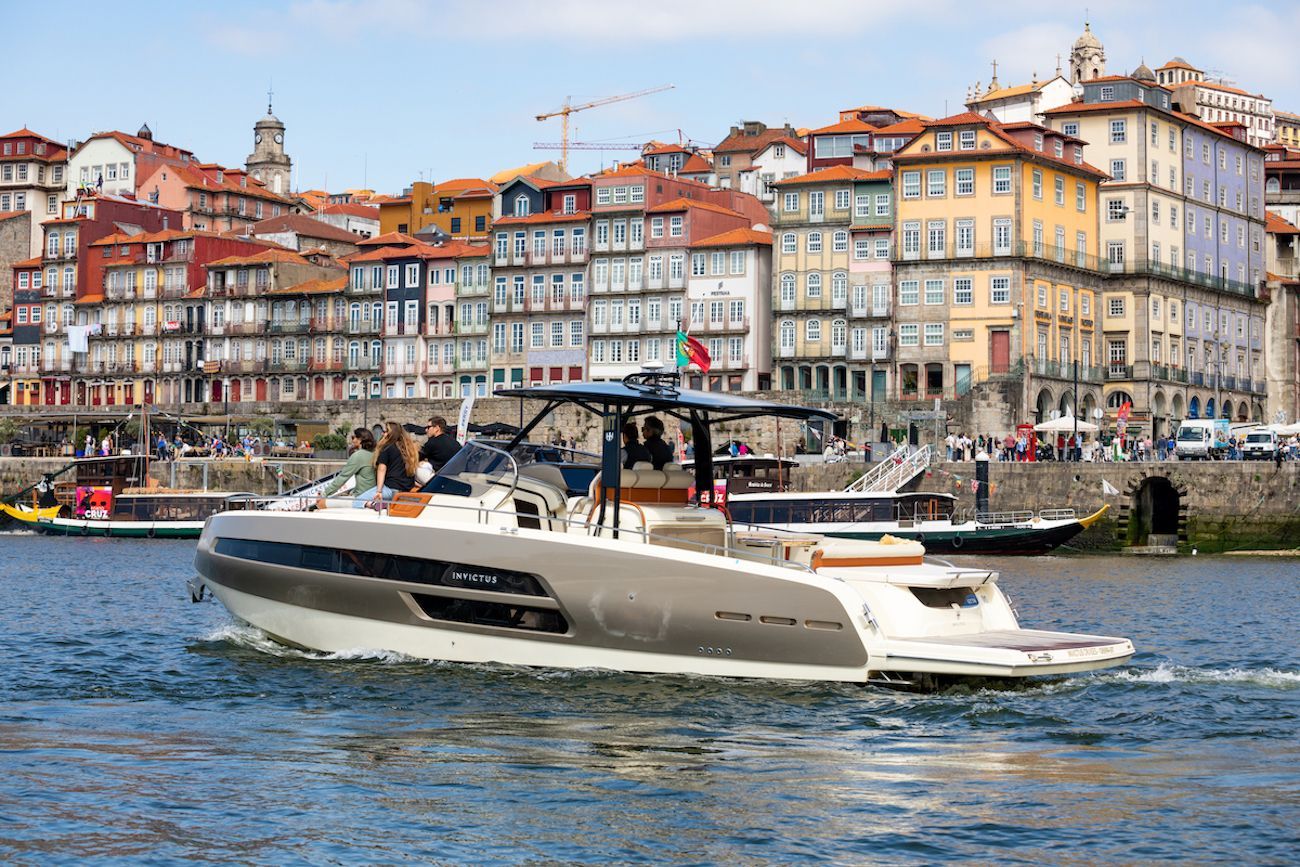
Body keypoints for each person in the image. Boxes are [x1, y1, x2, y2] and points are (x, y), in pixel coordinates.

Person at [356, 421, 418, 509]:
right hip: (406, 489)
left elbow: (382, 469)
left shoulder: (387, 448)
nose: (382, 433)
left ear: (391, 433)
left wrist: (379, 491)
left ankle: (374, 504)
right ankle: (386, 503)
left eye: (385, 431)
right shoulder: (408, 449)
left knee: (357, 501)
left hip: (390, 488)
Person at [317, 428, 377, 509]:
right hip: (373, 495)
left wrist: (324, 494)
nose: (352, 440)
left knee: (321, 503)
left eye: (353, 437)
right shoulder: (375, 454)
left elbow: (342, 477)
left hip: (361, 497)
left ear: (360, 440)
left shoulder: (358, 456)